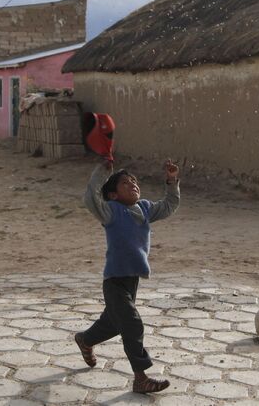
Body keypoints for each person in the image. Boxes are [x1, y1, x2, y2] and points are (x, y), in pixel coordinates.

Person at [75, 157, 180, 394]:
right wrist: (102, 171)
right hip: (114, 281)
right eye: (125, 183)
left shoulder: (144, 208)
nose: (132, 184)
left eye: (134, 181)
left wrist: (172, 181)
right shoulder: (111, 211)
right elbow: (91, 198)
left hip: (132, 281)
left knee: (112, 324)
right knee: (132, 324)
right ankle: (140, 378)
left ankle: (85, 340)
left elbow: (169, 205)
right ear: (113, 194)